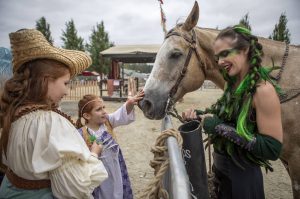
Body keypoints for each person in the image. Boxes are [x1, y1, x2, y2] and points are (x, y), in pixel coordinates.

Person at [0, 29, 108, 198]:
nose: (67, 91)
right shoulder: (50, 122)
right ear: (46, 80)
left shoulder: (15, 113)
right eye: (65, 83)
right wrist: (94, 154)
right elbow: (74, 188)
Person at [182, 25, 283, 199]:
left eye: (225, 54)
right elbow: (226, 118)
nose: (220, 62)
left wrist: (220, 128)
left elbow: (272, 149)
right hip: (221, 172)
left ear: (245, 50)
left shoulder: (263, 91)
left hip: (244, 180)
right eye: (217, 56)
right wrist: (199, 115)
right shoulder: (231, 84)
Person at [76, 91, 144, 199]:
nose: (104, 111)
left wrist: (130, 103)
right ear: (87, 115)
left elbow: (120, 114)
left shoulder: (108, 123)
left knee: (117, 191)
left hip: (116, 170)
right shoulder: (80, 134)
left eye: (104, 107)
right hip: (98, 174)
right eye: (99, 109)